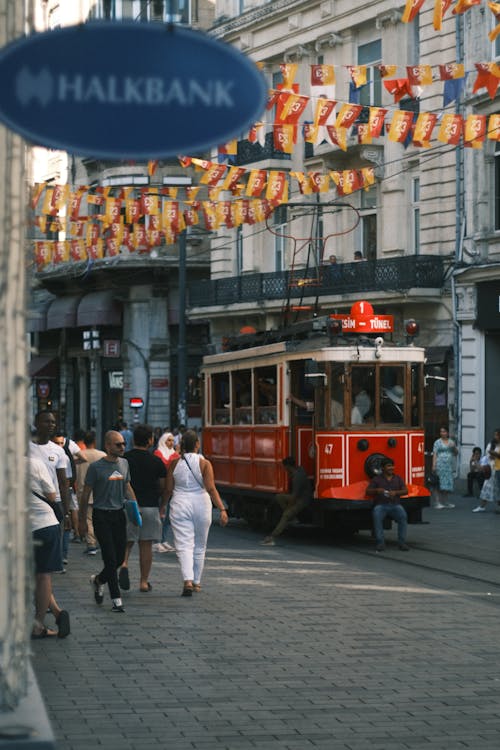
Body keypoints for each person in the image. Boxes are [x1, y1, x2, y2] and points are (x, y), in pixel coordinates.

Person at [78, 430, 138, 613]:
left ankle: (98, 580)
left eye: (123, 444)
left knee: (120, 558)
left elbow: (127, 487)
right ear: (108, 446)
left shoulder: (125, 464)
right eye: (118, 444)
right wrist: (81, 521)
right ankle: (116, 599)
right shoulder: (96, 467)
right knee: (110, 558)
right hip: (101, 515)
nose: (122, 447)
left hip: (119, 515)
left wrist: (136, 509)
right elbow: (86, 494)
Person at [166, 429, 228, 596]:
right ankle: (197, 582)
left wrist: (162, 507)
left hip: (179, 503)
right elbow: (211, 488)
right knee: (200, 545)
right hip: (201, 503)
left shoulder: (173, 464)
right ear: (197, 445)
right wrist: (222, 509)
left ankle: (187, 580)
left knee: (183, 545)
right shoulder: (205, 464)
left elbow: (168, 489)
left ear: (182, 446)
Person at [119, 424, 167, 592]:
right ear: (150, 440)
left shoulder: (124, 459)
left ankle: (123, 564)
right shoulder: (156, 461)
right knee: (146, 545)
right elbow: (162, 486)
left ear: (132, 440)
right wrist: (161, 502)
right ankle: (144, 582)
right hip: (149, 506)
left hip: (128, 505)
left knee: (127, 541)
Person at [28, 456, 70, 639]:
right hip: (45, 524)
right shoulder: (34, 463)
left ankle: (40, 624)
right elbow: (52, 495)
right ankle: (54, 613)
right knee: (42, 575)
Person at [261, 457, 313, 546]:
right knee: (279, 497)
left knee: (286, 515)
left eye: (284, 467)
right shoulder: (299, 472)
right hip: (301, 497)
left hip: (303, 500)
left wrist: (288, 510)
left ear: (288, 466)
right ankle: (292, 518)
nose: (284, 469)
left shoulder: (297, 477)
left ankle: (272, 537)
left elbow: (293, 497)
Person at [366, 458, 409, 552]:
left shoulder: (398, 478)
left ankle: (402, 542)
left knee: (403, 517)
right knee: (377, 516)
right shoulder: (377, 479)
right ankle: (380, 543)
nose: (391, 468)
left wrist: (396, 493)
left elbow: (405, 491)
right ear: (383, 468)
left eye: (392, 466)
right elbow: (368, 491)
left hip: (395, 505)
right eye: (389, 466)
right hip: (381, 505)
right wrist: (377, 490)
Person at [75, 431, 106, 554]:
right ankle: (100, 541)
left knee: (87, 518)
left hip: (83, 491)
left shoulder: (78, 455)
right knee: (99, 518)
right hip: (100, 491)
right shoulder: (102, 455)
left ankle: (91, 543)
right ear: (95, 441)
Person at [153, 431, 179, 552]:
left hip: (172, 489)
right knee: (159, 515)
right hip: (160, 489)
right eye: (169, 440)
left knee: (168, 516)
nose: (171, 442)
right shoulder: (158, 453)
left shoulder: (174, 454)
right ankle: (156, 541)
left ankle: (163, 540)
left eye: (173, 440)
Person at [432, 426, 458, 509]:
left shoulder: (451, 442)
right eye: (441, 432)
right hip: (440, 465)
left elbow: (456, 453)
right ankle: (437, 502)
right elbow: (435, 454)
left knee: (447, 484)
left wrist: (453, 447)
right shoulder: (437, 442)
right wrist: (433, 465)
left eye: (444, 431)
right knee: (438, 483)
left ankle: (446, 502)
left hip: (448, 466)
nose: (442, 433)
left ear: (447, 433)